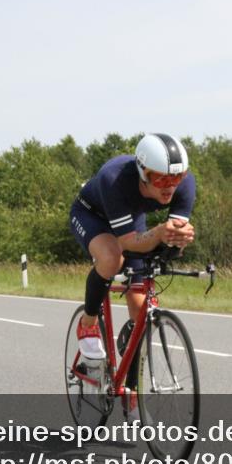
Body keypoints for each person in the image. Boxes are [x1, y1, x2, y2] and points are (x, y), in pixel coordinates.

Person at [69, 133, 196, 412]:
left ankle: (131, 389)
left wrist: (177, 240)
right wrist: (159, 233)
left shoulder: (184, 185)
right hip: (92, 215)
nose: (170, 187)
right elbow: (128, 243)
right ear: (142, 172)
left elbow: (168, 240)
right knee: (112, 258)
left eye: (176, 178)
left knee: (141, 312)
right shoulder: (114, 177)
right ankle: (87, 324)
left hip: (130, 217)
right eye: (160, 179)